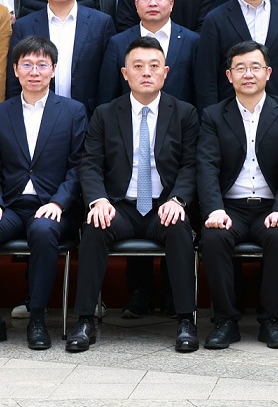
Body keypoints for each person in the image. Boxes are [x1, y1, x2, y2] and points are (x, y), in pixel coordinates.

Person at [67, 37, 201, 354]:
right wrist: (98, 200)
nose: (146, 72)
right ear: (125, 73)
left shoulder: (184, 113)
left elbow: (191, 164)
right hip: (120, 206)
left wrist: (178, 199)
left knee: (179, 229)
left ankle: (186, 320)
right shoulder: (105, 113)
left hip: (163, 205)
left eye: (154, 66)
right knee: (95, 227)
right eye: (138, 66)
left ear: (165, 72)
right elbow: (90, 164)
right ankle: (85, 320)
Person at [0, 36, 88, 351]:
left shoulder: (73, 111)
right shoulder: (0, 113)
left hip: (53, 206)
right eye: (27, 65)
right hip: (11, 205)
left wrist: (59, 201)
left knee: (44, 231)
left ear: (54, 69)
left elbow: (78, 168)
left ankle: (37, 318)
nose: (34, 72)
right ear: (16, 69)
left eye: (42, 65)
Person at [197, 42, 278, 349]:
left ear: (268, 73)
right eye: (240, 68)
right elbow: (206, 166)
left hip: (272, 206)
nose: (248, 74)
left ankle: (272, 321)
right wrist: (214, 209)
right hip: (229, 206)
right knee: (213, 238)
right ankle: (225, 322)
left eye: (255, 67)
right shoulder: (214, 115)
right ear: (229, 75)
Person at [7, 0, 113, 111]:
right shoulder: (24, 26)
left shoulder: (101, 23)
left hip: (89, 115)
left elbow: (108, 80)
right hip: (37, 113)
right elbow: (14, 80)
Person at [104, 0, 199, 106]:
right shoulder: (118, 43)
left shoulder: (192, 41)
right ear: (136, 4)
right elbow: (108, 95)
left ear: (171, 3)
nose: (153, 3)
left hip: (180, 117)